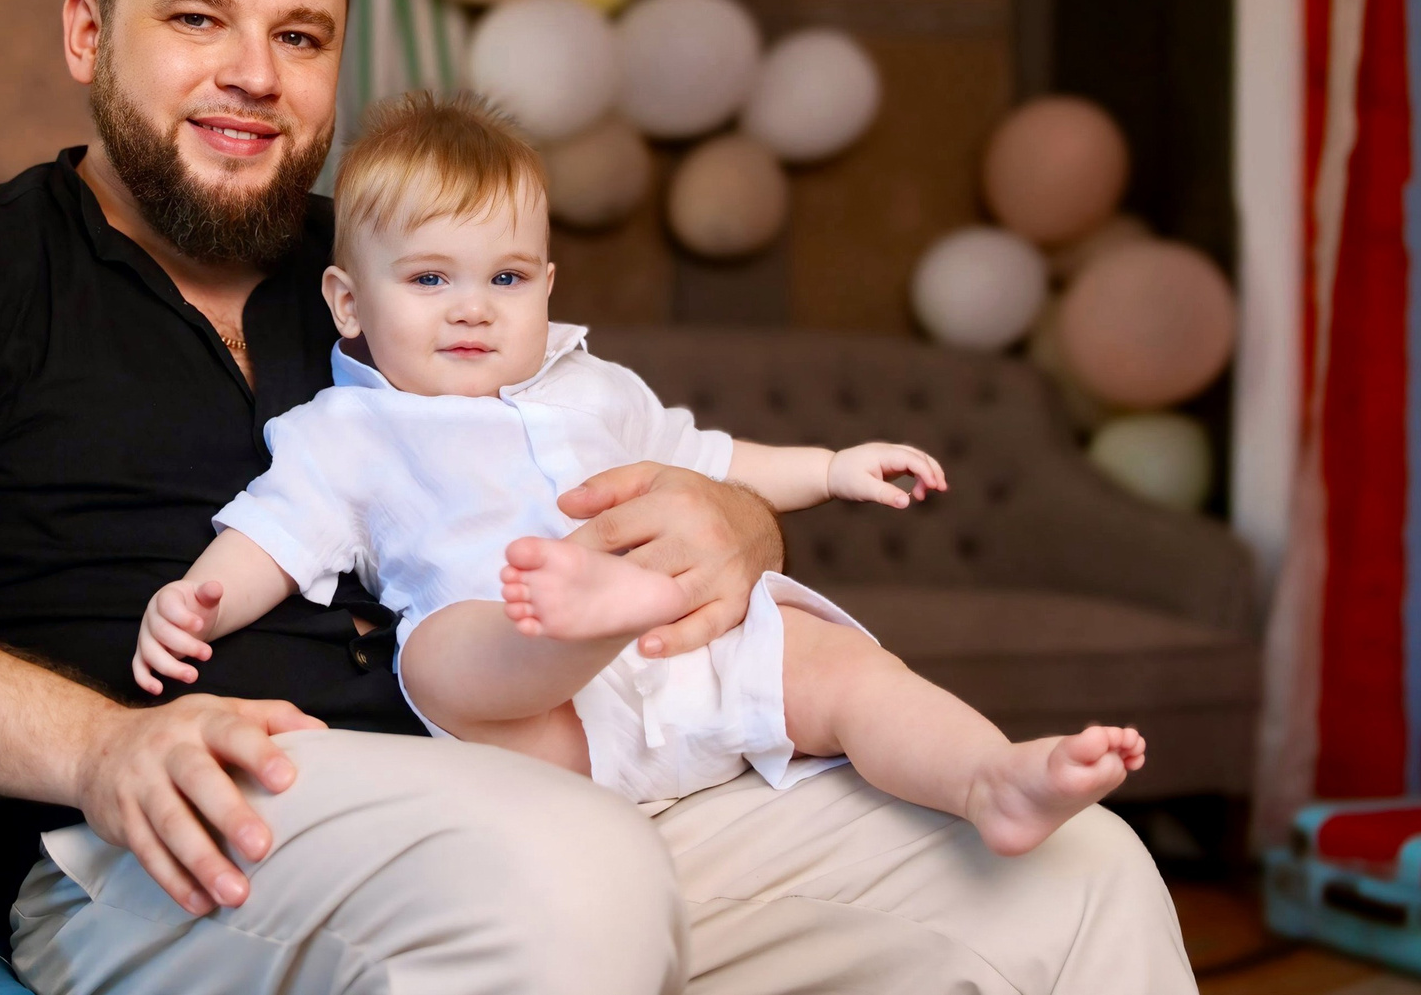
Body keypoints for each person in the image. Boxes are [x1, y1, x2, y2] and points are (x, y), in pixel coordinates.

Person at [0, 0, 1196, 993]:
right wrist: (99, 748)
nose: (252, 76)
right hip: (175, 845)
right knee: (564, 874)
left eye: (302, 36)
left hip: (551, 768)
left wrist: (736, 522)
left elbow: (620, 446)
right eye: (198, 18)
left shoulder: (404, 260)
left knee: (1073, 882)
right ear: (86, 32)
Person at [135, 92, 1148, 856]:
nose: (473, 307)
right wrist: (195, 603)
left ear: (546, 285)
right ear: (349, 302)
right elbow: (274, 535)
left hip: (686, 666)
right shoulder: (350, 431)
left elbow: (713, 464)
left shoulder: (596, 388)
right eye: (431, 278)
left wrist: (833, 466)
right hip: (546, 728)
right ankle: (585, 612)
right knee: (438, 652)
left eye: (506, 277)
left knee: (842, 668)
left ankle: (989, 779)